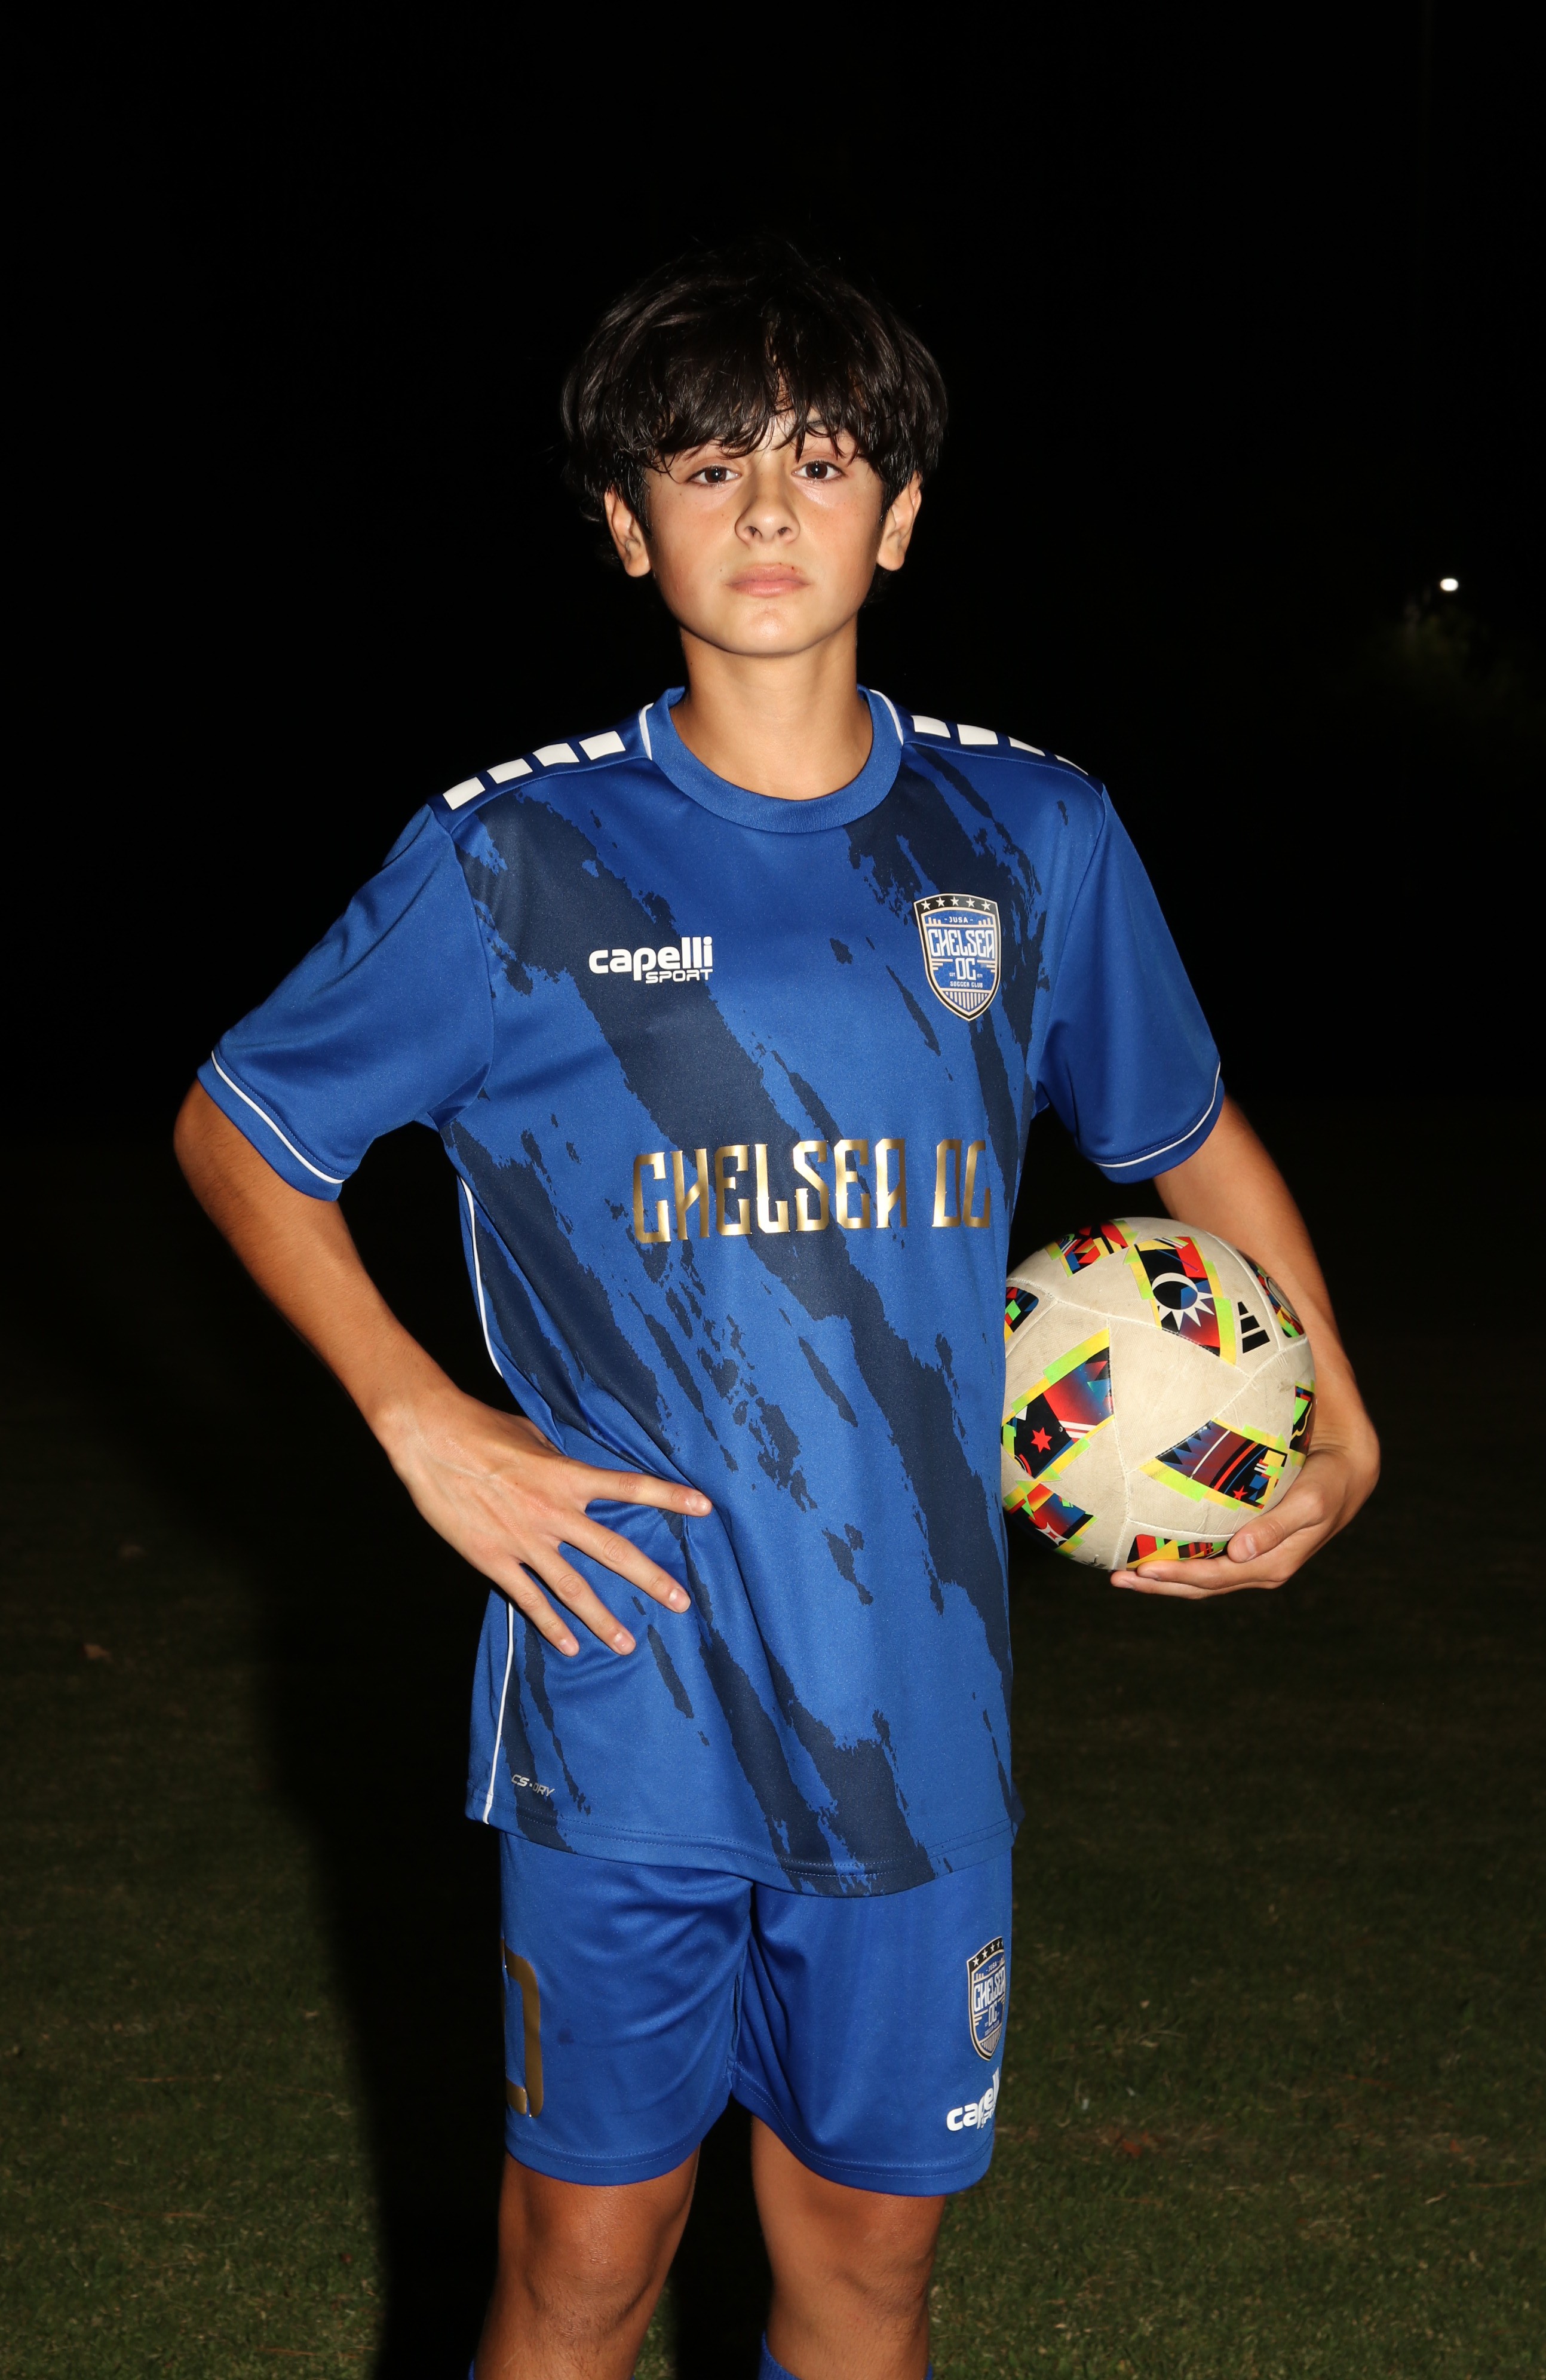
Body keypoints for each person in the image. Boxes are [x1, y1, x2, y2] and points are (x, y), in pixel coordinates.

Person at [174, 240, 1379, 2380]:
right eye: (704, 464)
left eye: (820, 464)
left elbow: (1187, 1134)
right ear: (624, 524)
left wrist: (1339, 1412)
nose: (761, 509)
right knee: (584, 2274)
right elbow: (243, 1132)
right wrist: (421, 1420)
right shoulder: (518, 858)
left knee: (865, 2282)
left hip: (918, 1713)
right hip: (621, 1685)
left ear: (898, 519)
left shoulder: (1027, 833)